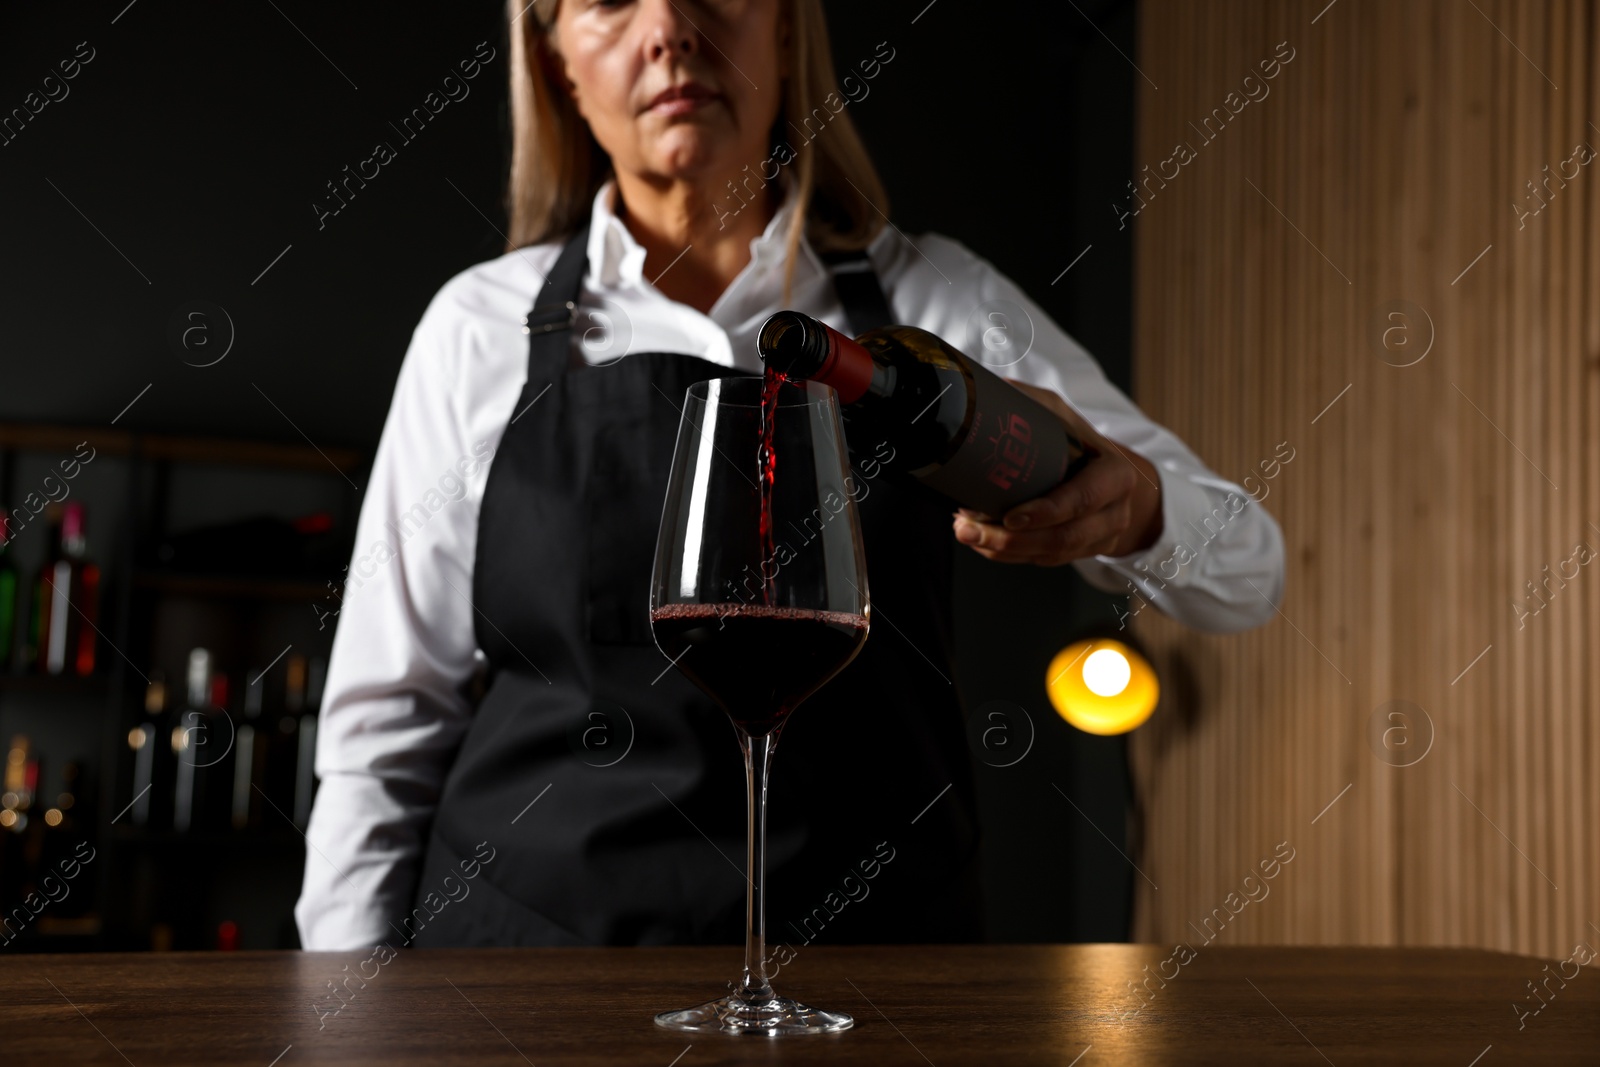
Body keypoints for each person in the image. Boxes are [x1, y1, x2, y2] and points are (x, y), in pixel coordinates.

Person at [295, 0, 1285, 951]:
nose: (670, 29)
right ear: (556, 61)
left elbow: (1249, 568)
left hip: (877, 978)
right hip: (530, 975)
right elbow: (386, 727)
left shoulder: (935, 304)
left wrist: (1139, 509)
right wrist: (348, 1017)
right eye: (606, 1)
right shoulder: (479, 330)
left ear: (782, 22)